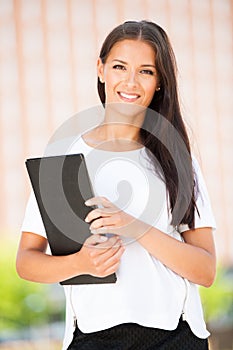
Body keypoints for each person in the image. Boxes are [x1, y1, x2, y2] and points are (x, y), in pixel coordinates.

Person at [16, 20, 216, 350]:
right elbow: (26, 261)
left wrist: (135, 226)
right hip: (93, 339)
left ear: (159, 83)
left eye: (146, 71)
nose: (131, 81)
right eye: (120, 66)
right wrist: (79, 263)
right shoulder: (64, 160)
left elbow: (206, 271)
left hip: (176, 337)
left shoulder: (177, 162)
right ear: (101, 69)